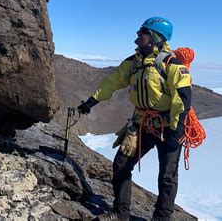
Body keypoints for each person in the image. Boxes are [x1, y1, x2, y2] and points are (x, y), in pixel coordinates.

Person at [78, 17, 192, 221]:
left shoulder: (172, 66)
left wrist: (176, 131)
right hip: (143, 124)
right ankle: (121, 213)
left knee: (167, 176)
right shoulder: (134, 62)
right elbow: (112, 82)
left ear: (156, 38)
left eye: (143, 32)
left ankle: (161, 218)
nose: (138, 36)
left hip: (168, 128)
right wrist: (91, 101)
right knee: (121, 164)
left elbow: (181, 101)